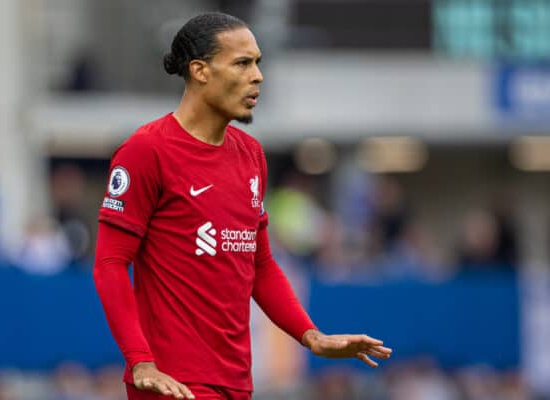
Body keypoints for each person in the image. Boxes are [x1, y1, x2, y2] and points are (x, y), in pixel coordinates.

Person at [93, 12, 391, 400]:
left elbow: (260, 267)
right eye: (242, 63)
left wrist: (311, 336)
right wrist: (141, 360)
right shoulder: (147, 150)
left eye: (258, 63)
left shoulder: (250, 154)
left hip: (236, 381)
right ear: (200, 71)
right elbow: (110, 263)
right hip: (172, 382)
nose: (258, 76)